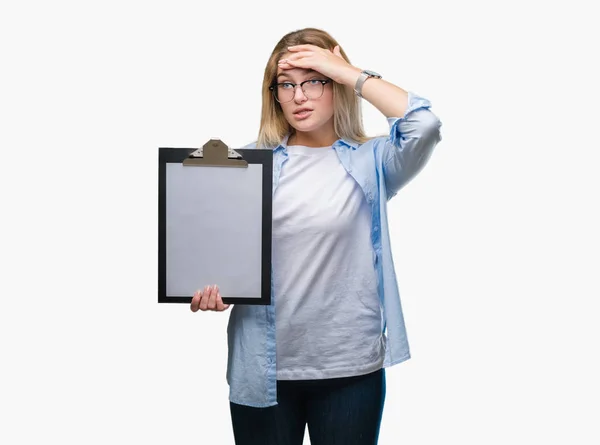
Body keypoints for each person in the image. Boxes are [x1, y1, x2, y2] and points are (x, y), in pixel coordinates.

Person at [190, 27, 443, 445]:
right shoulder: (244, 165)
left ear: (335, 84)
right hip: (263, 368)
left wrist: (349, 73)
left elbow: (425, 124)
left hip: (350, 369)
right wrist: (214, 288)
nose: (299, 96)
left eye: (314, 80)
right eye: (286, 85)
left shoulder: (373, 161)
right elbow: (223, 259)